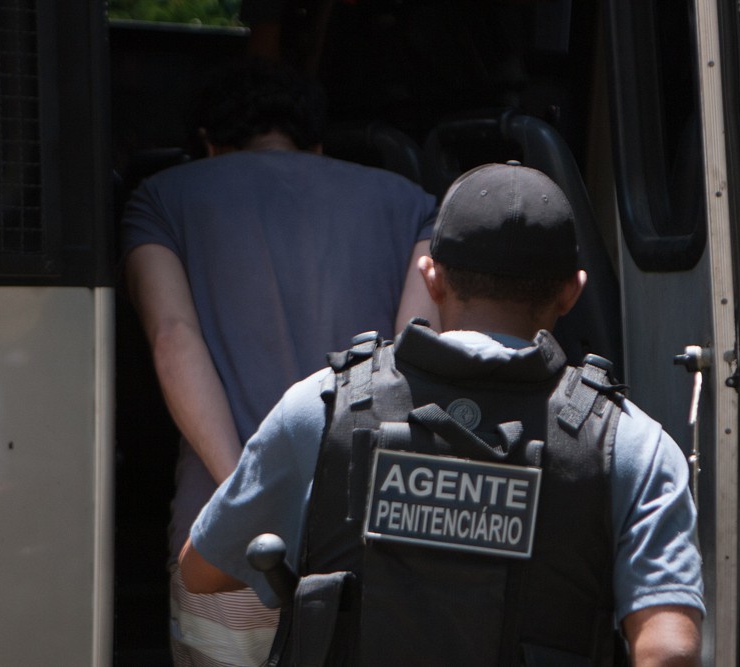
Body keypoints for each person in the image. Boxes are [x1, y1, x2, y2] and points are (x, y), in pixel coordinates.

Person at [179, 162, 704, 666]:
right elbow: (670, 650)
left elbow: (201, 570)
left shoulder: (321, 407)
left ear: (431, 278)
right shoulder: (632, 444)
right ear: (571, 292)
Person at [120, 61, 438, 666]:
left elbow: (171, 337)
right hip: (367, 542)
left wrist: (246, 501)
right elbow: (413, 355)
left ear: (208, 145)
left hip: (223, 551)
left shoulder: (161, 198)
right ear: (315, 145)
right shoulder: (414, 205)